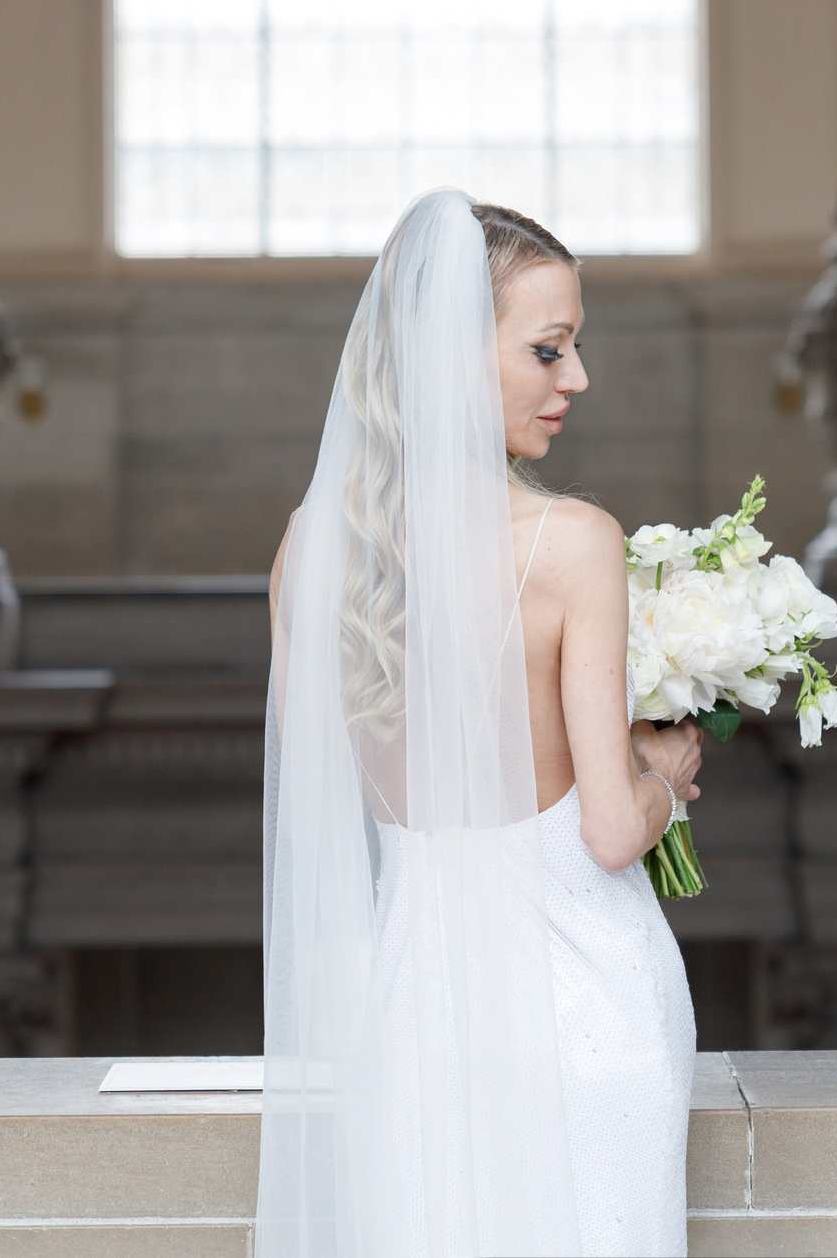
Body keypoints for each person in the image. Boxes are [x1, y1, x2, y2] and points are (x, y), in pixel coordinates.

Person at [257, 189, 703, 1257]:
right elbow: (605, 832)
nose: (577, 379)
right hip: (582, 1003)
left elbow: (327, 809)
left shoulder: (311, 546)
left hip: (409, 1013)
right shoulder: (571, 541)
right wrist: (666, 772)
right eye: (549, 351)